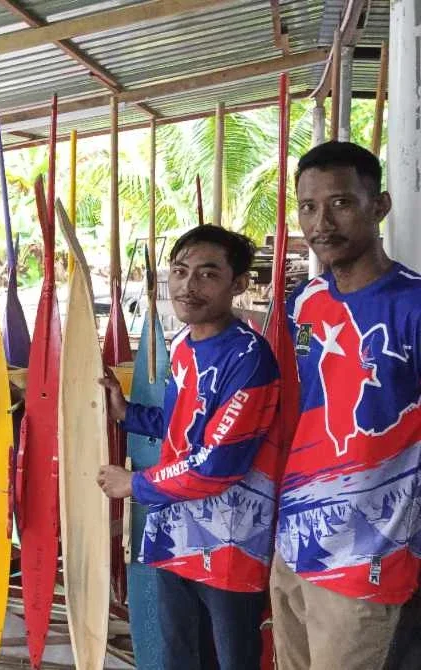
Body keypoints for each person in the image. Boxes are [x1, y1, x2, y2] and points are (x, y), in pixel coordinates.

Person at [98, 225, 281, 670]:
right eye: (180, 271)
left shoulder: (249, 357)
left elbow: (218, 464)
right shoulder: (184, 347)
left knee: (230, 661)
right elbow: (187, 428)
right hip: (174, 537)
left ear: (237, 284)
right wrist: (129, 414)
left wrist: (135, 485)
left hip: (228, 548)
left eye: (207, 274)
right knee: (182, 658)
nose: (188, 286)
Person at [270, 141, 421, 670]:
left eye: (340, 203)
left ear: (379, 206)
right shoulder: (306, 302)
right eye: (308, 207)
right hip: (294, 545)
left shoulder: (414, 305)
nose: (320, 223)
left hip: (366, 561)